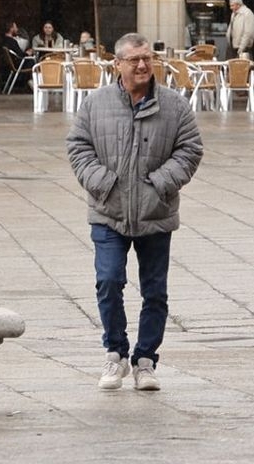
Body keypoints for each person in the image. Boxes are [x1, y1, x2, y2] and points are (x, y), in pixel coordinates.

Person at [66, 32, 203, 392]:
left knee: (154, 291)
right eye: (134, 59)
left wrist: (159, 184)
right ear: (117, 64)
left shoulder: (174, 105)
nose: (142, 65)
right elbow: (78, 147)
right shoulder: (95, 104)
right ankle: (115, 352)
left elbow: (190, 149)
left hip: (155, 211)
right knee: (109, 281)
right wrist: (103, 182)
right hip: (108, 209)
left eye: (147, 58)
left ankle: (145, 360)